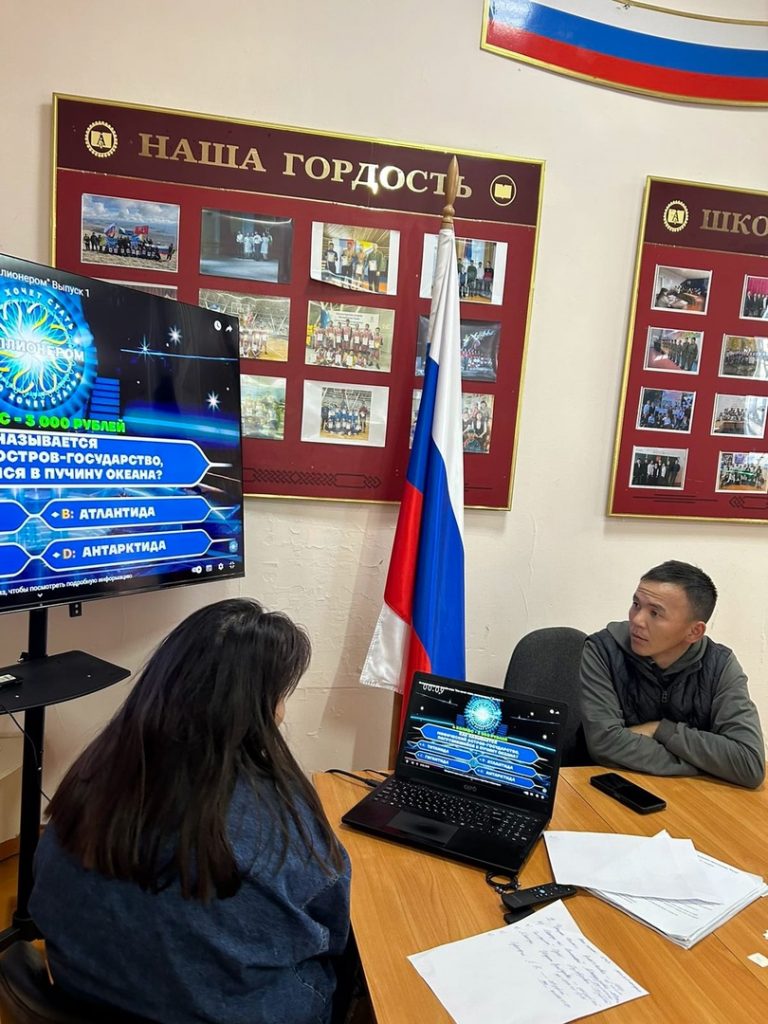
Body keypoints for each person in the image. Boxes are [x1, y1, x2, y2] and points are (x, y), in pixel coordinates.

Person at [29, 598, 351, 1024]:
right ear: (256, 708)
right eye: (279, 697)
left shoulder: (89, 777)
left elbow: (45, 902)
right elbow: (333, 933)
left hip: (86, 994)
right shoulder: (280, 822)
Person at [580, 561, 765, 788]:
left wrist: (662, 730)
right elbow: (604, 744)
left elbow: (749, 764)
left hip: (691, 796)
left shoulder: (719, 665)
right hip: (613, 787)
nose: (637, 620)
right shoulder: (603, 650)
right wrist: (709, 765)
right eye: (636, 604)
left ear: (694, 631)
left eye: (655, 613)